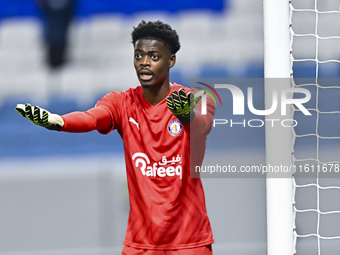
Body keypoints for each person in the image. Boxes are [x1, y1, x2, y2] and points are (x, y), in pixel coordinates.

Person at [16, 20, 216, 255]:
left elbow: (203, 126)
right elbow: (92, 118)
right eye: (138, 55)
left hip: (189, 242)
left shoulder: (195, 98)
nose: (144, 62)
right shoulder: (121, 102)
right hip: (140, 244)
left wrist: (185, 117)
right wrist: (59, 122)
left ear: (171, 60)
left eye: (153, 56)